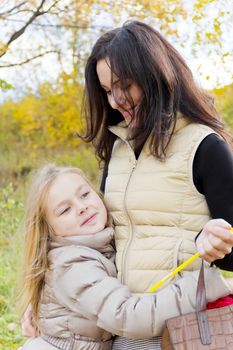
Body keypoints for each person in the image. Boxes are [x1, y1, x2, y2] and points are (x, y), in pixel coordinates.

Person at [82, 20, 233, 349]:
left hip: (184, 328)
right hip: (123, 320)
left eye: (124, 85)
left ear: (155, 76)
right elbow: (106, 240)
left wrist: (216, 244)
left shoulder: (205, 146)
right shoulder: (118, 150)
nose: (115, 101)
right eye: (107, 90)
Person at [19, 164, 233, 350]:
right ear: (48, 230)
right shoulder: (72, 264)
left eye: (84, 195)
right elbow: (127, 316)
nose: (82, 207)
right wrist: (208, 285)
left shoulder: (100, 244)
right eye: (65, 210)